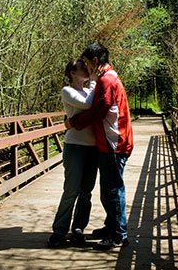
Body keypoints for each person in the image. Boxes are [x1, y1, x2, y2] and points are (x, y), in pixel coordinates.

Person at [65, 43, 134, 250]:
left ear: (95, 61)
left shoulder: (106, 80)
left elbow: (98, 111)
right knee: (110, 188)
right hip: (113, 142)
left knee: (112, 191)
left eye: (87, 63)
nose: (86, 68)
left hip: (114, 143)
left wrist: (74, 123)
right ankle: (112, 226)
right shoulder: (110, 77)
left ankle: (118, 235)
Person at [48, 59, 99, 247]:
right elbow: (88, 105)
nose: (87, 70)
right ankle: (59, 231)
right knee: (71, 190)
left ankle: (78, 228)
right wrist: (94, 81)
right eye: (83, 68)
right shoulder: (67, 91)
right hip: (75, 146)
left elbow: (95, 104)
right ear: (72, 73)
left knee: (87, 191)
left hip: (93, 147)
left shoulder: (88, 91)